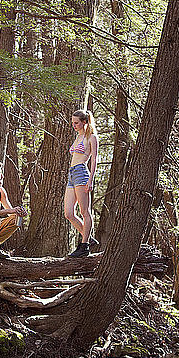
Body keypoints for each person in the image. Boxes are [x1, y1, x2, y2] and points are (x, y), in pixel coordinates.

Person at [65, 109, 99, 257]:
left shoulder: (91, 137)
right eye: (73, 122)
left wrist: (91, 179)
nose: (74, 125)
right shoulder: (77, 137)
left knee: (85, 212)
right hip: (71, 174)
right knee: (68, 213)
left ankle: (84, 246)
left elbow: (94, 159)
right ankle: (88, 237)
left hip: (81, 173)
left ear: (84, 122)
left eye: (76, 122)